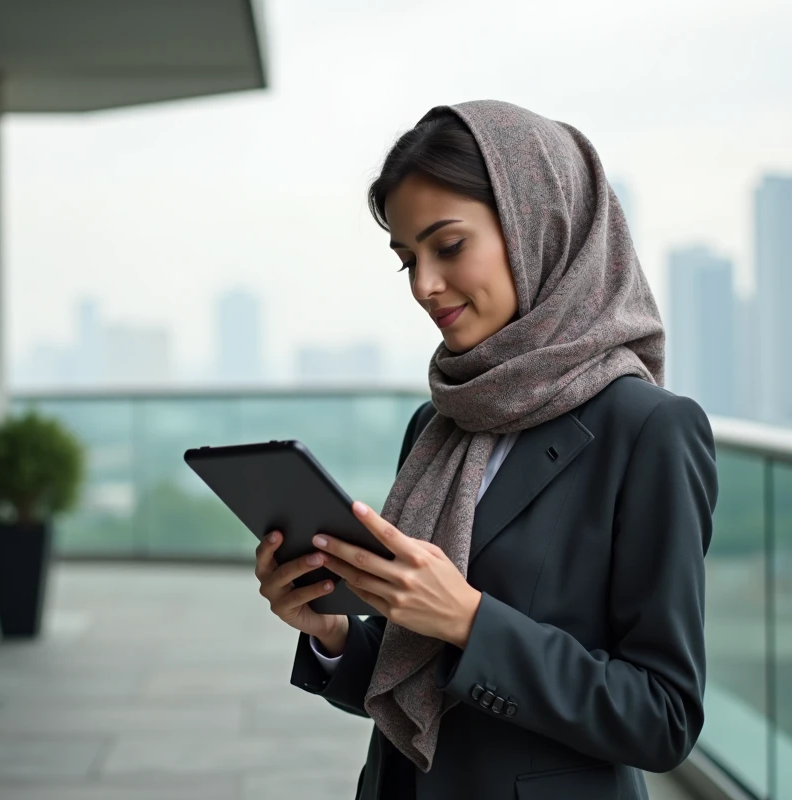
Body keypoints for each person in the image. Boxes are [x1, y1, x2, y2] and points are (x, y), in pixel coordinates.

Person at [253, 99, 718, 800]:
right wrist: (333, 634)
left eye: (448, 246)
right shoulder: (438, 424)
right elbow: (416, 665)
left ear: (539, 227)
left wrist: (472, 621)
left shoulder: (649, 430)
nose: (423, 286)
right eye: (407, 259)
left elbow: (662, 717)